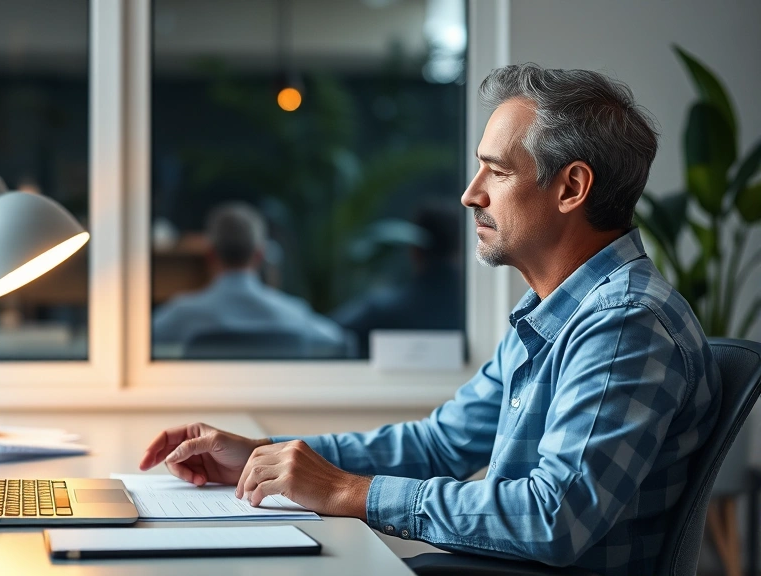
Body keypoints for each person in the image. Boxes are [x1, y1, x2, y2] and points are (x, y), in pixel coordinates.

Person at [139, 64, 721, 576]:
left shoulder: (623, 324)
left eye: (497, 172)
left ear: (571, 187)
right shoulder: (551, 311)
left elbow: (552, 520)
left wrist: (347, 491)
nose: (471, 195)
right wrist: (272, 455)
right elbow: (442, 443)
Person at [152, 201, 349, 357]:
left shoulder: (182, 314)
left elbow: (136, 343)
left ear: (210, 255)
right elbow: (340, 342)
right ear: (260, 255)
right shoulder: (292, 314)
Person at [333, 204, 464, 357]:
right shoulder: (479, 314)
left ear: (414, 251)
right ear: (460, 249)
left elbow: (328, 333)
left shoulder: (381, 311)